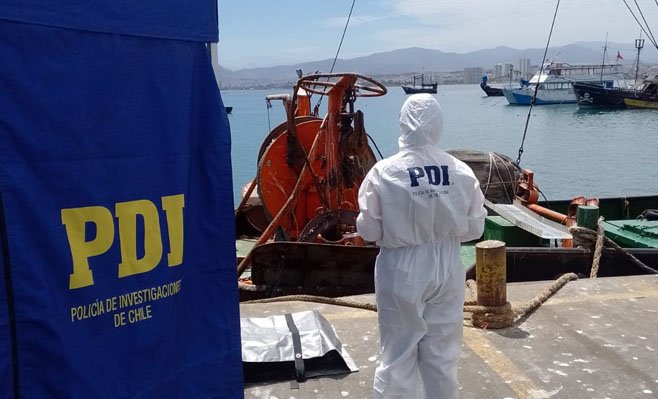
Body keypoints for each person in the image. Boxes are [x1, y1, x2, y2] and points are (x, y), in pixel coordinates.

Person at [356, 93, 486, 399]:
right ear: (438, 125)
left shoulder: (384, 172)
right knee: (442, 353)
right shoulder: (460, 171)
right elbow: (475, 228)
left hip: (401, 266)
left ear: (403, 125)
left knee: (399, 352)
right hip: (448, 265)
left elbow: (370, 229)